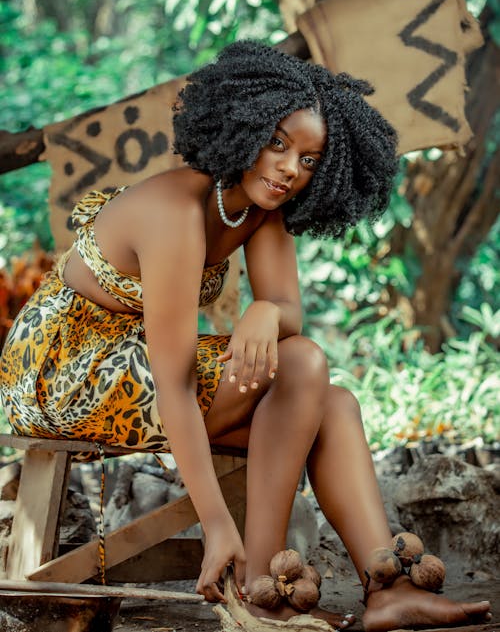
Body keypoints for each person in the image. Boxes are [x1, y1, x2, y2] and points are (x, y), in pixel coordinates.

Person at [0, 41, 491, 631]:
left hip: (136, 366)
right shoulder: (176, 211)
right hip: (61, 370)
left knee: (331, 403)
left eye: (311, 160)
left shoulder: (259, 211)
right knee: (304, 367)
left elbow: (287, 308)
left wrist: (265, 311)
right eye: (278, 143)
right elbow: (175, 383)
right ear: (242, 126)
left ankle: (386, 590)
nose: (289, 168)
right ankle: (263, 590)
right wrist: (216, 525)